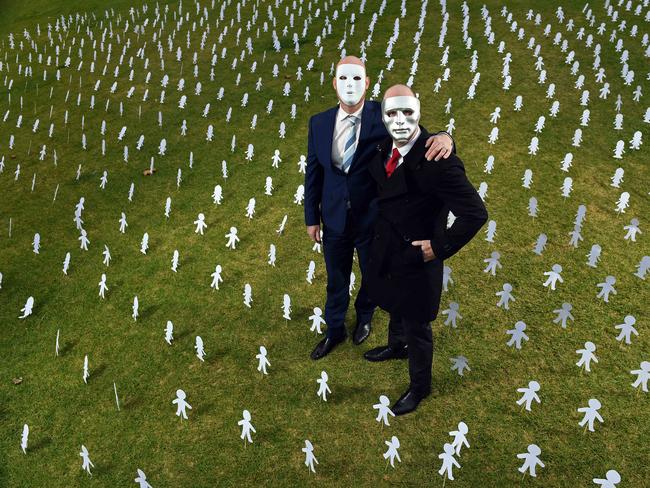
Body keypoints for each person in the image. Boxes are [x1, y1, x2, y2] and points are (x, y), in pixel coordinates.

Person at [305, 56, 454, 360]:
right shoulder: (318, 123)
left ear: (367, 83)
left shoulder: (381, 115)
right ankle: (334, 329)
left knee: (373, 274)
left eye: (357, 79)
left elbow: (414, 133)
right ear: (334, 83)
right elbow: (313, 173)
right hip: (333, 217)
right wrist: (312, 217)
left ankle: (364, 316)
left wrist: (446, 137)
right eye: (343, 79)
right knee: (336, 277)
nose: (349, 85)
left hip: (372, 217)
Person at [364, 85, 488, 415]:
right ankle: (395, 345)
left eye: (408, 112)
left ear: (419, 110)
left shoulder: (439, 161)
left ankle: (420, 386)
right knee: (391, 301)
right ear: (382, 116)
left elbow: (475, 213)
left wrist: (438, 247)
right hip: (388, 247)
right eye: (392, 113)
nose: (400, 121)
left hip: (418, 256)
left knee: (417, 324)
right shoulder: (381, 146)